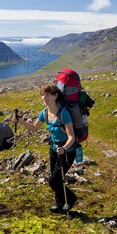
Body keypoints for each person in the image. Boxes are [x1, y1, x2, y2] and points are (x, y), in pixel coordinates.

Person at [16, 84, 78, 213]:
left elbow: (71, 136)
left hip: (67, 152)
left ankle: (71, 198)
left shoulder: (64, 113)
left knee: (53, 181)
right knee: (56, 180)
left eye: (47, 94)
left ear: (55, 96)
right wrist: (20, 121)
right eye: (43, 95)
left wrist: (65, 148)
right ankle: (60, 204)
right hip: (53, 150)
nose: (44, 97)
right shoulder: (44, 112)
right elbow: (34, 127)